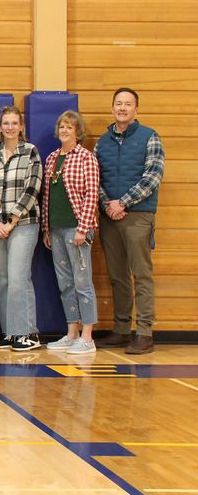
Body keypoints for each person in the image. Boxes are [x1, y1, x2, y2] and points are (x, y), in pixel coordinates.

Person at [94, 88, 165, 355]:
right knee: (117, 276)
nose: (122, 108)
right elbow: (96, 179)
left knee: (142, 274)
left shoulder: (150, 137)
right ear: (112, 108)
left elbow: (153, 176)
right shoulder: (102, 142)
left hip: (138, 215)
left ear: (136, 109)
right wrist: (107, 204)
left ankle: (145, 332)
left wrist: (122, 202)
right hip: (109, 217)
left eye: (128, 104)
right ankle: (122, 330)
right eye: (118, 103)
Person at [0, 105, 43, 352]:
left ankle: (28, 333)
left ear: (21, 127)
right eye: (5, 123)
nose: (9, 127)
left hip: (23, 224)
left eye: (13, 123)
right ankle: (10, 332)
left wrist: (12, 221)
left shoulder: (30, 152)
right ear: (0, 127)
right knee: (3, 280)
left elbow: (33, 188)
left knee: (19, 278)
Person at [42, 111, 101, 355]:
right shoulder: (52, 158)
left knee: (82, 282)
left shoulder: (86, 158)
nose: (65, 131)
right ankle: (71, 332)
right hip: (56, 228)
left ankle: (87, 337)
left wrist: (83, 227)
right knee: (65, 283)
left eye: (70, 127)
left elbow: (92, 195)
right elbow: (47, 196)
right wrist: (46, 228)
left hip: (76, 228)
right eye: (62, 127)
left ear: (78, 132)